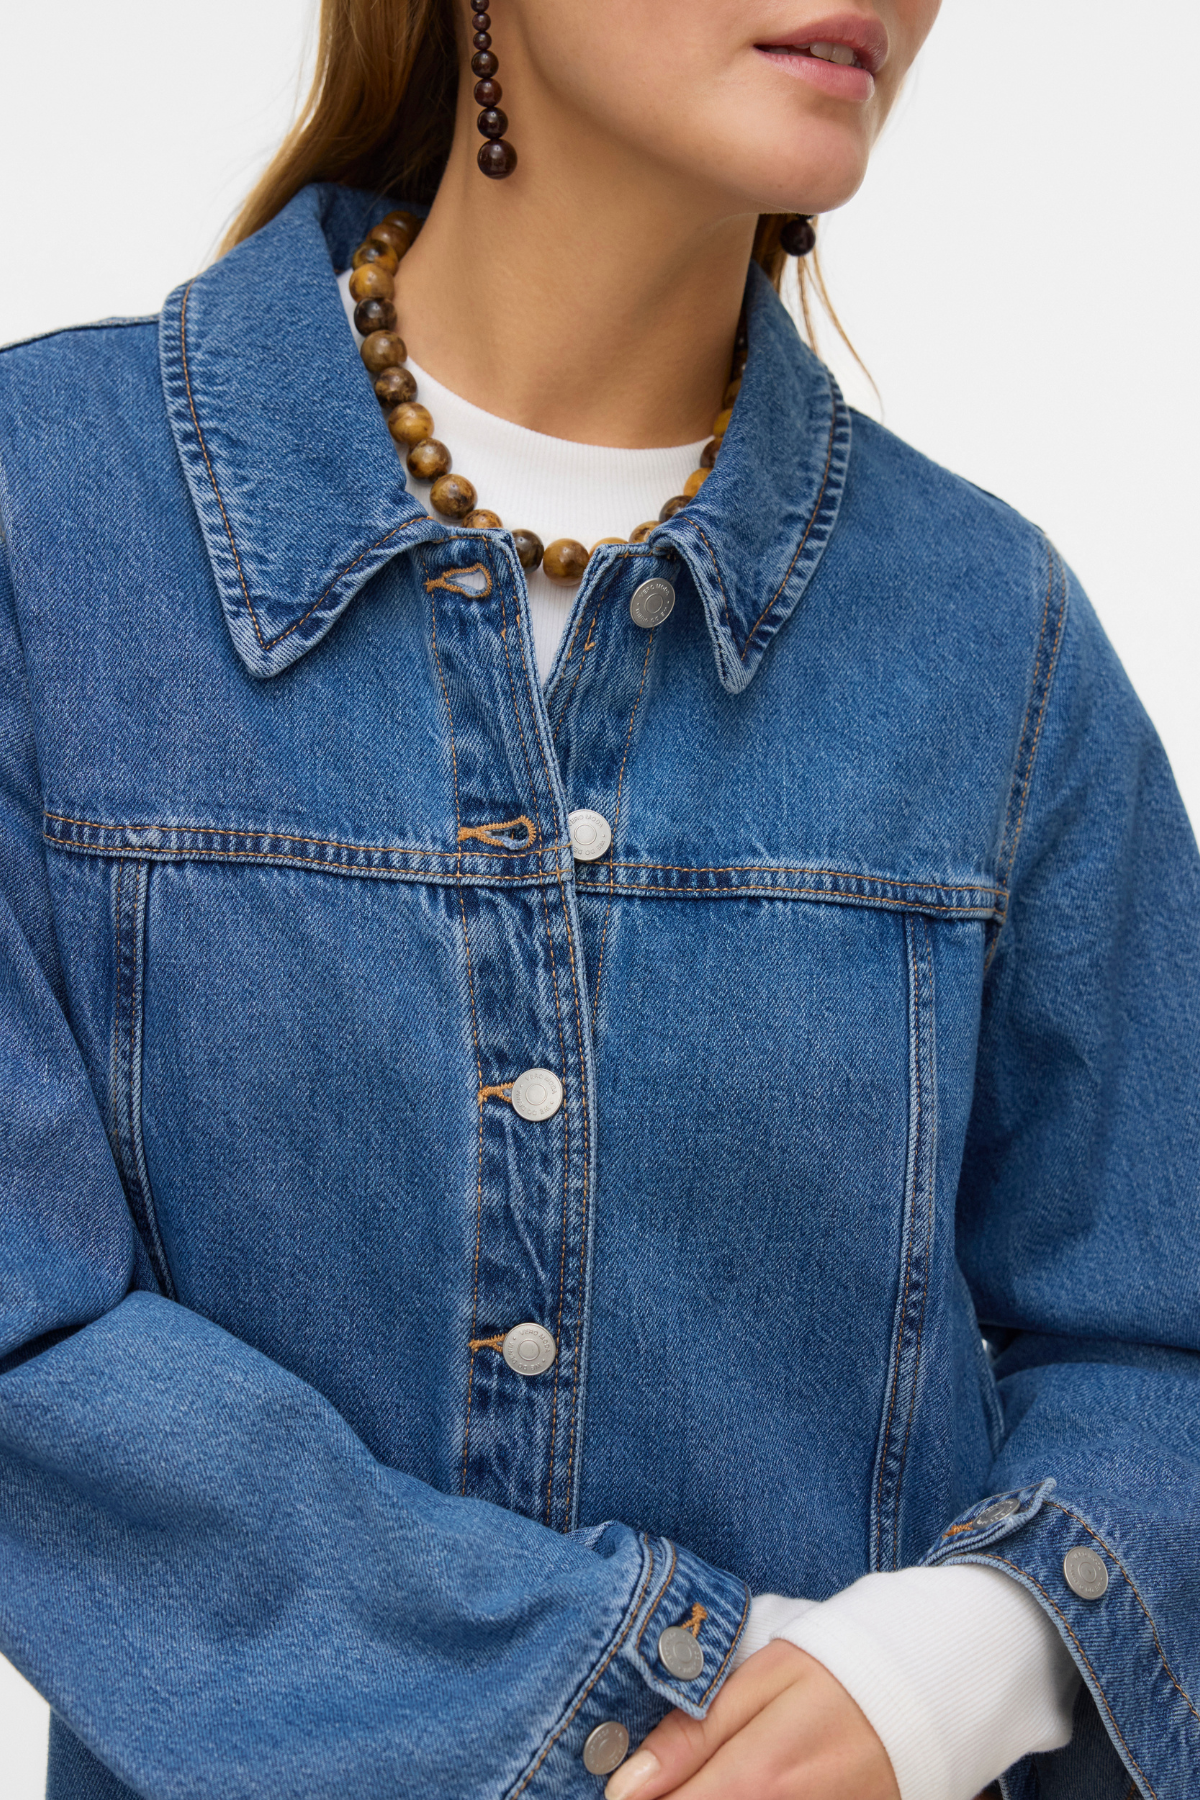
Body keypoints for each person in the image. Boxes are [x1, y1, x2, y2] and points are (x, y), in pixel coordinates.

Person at [0, 0, 1196, 1795]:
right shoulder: (49, 525)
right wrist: (647, 1689)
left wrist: (965, 1658)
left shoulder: (992, 641)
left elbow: (1161, 1337)